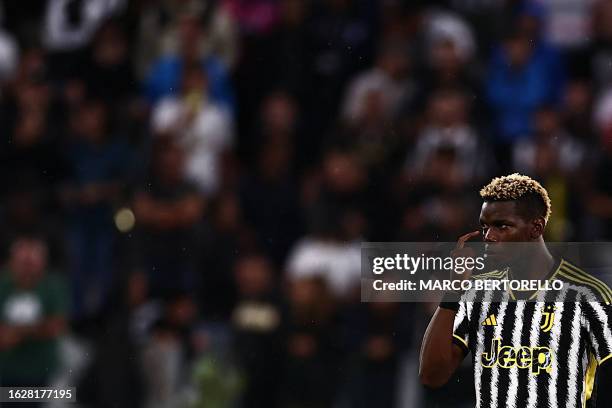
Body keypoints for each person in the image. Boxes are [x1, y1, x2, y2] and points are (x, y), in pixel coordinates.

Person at [420, 173, 612, 407]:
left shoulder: (588, 295)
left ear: (536, 227)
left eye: (502, 226)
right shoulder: (478, 292)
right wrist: (453, 291)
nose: (489, 237)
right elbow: (432, 376)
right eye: (485, 227)